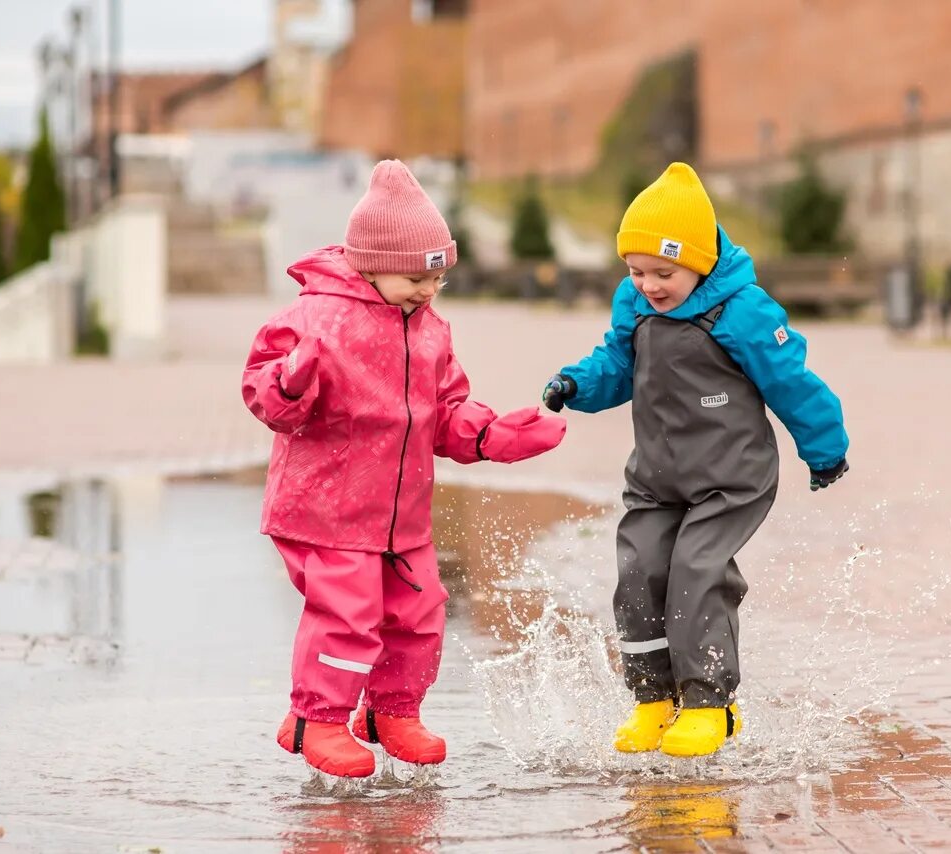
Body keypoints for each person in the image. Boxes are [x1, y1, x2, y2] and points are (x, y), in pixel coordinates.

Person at [243, 160, 566, 778]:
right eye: (415, 276)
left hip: (402, 517)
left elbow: (445, 409)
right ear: (370, 261)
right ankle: (318, 720)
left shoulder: (430, 331)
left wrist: (495, 434)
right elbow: (265, 394)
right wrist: (290, 382)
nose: (427, 290)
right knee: (348, 615)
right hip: (327, 511)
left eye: (437, 279)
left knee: (420, 614)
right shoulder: (315, 319)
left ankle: (389, 712)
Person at [541, 162, 849, 757]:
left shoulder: (742, 311)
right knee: (640, 575)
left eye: (664, 271)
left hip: (730, 478)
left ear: (700, 261)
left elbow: (792, 382)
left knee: (697, 572)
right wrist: (577, 385)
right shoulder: (634, 305)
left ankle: (711, 706)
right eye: (635, 271)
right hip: (657, 475)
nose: (649, 284)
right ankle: (653, 701)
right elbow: (617, 365)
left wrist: (825, 449)